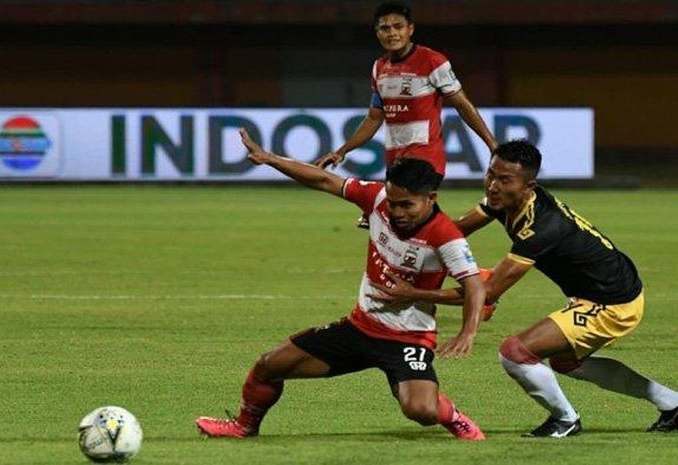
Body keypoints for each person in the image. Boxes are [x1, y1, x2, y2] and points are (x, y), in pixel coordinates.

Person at [369, 139, 678, 437]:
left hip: (612, 302)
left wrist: (413, 294)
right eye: (490, 174)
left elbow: (487, 294)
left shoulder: (541, 228)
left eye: (504, 180)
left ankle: (565, 420)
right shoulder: (504, 200)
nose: (492, 185)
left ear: (528, 186)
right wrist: (401, 227)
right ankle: (672, 403)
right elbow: (453, 230)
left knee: (515, 352)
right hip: (603, 289)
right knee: (565, 362)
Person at [196, 128, 488, 440]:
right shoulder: (377, 199)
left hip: (408, 338)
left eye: (407, 205)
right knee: (268, 365)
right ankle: (244, 426)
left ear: (431, 198)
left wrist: (465, 330)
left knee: (421, 411)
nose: (397, 212)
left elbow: (474, 286)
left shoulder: (446, 237)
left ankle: (453, 416)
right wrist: (270, 159)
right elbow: (323, 180)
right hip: (359, 327)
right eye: (394, 203)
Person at [315, 1, 497, 178]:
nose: (392, 33)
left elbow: (463, 105)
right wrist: (341, 151)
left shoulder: (432, 61)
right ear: (377, 33)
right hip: (396, 163)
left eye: (398, 26)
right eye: (385, 28)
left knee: (402, 209)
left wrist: (492, 145)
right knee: (399, 210)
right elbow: (374, 118)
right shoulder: (379, 67)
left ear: (410, 29)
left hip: (425, 161)